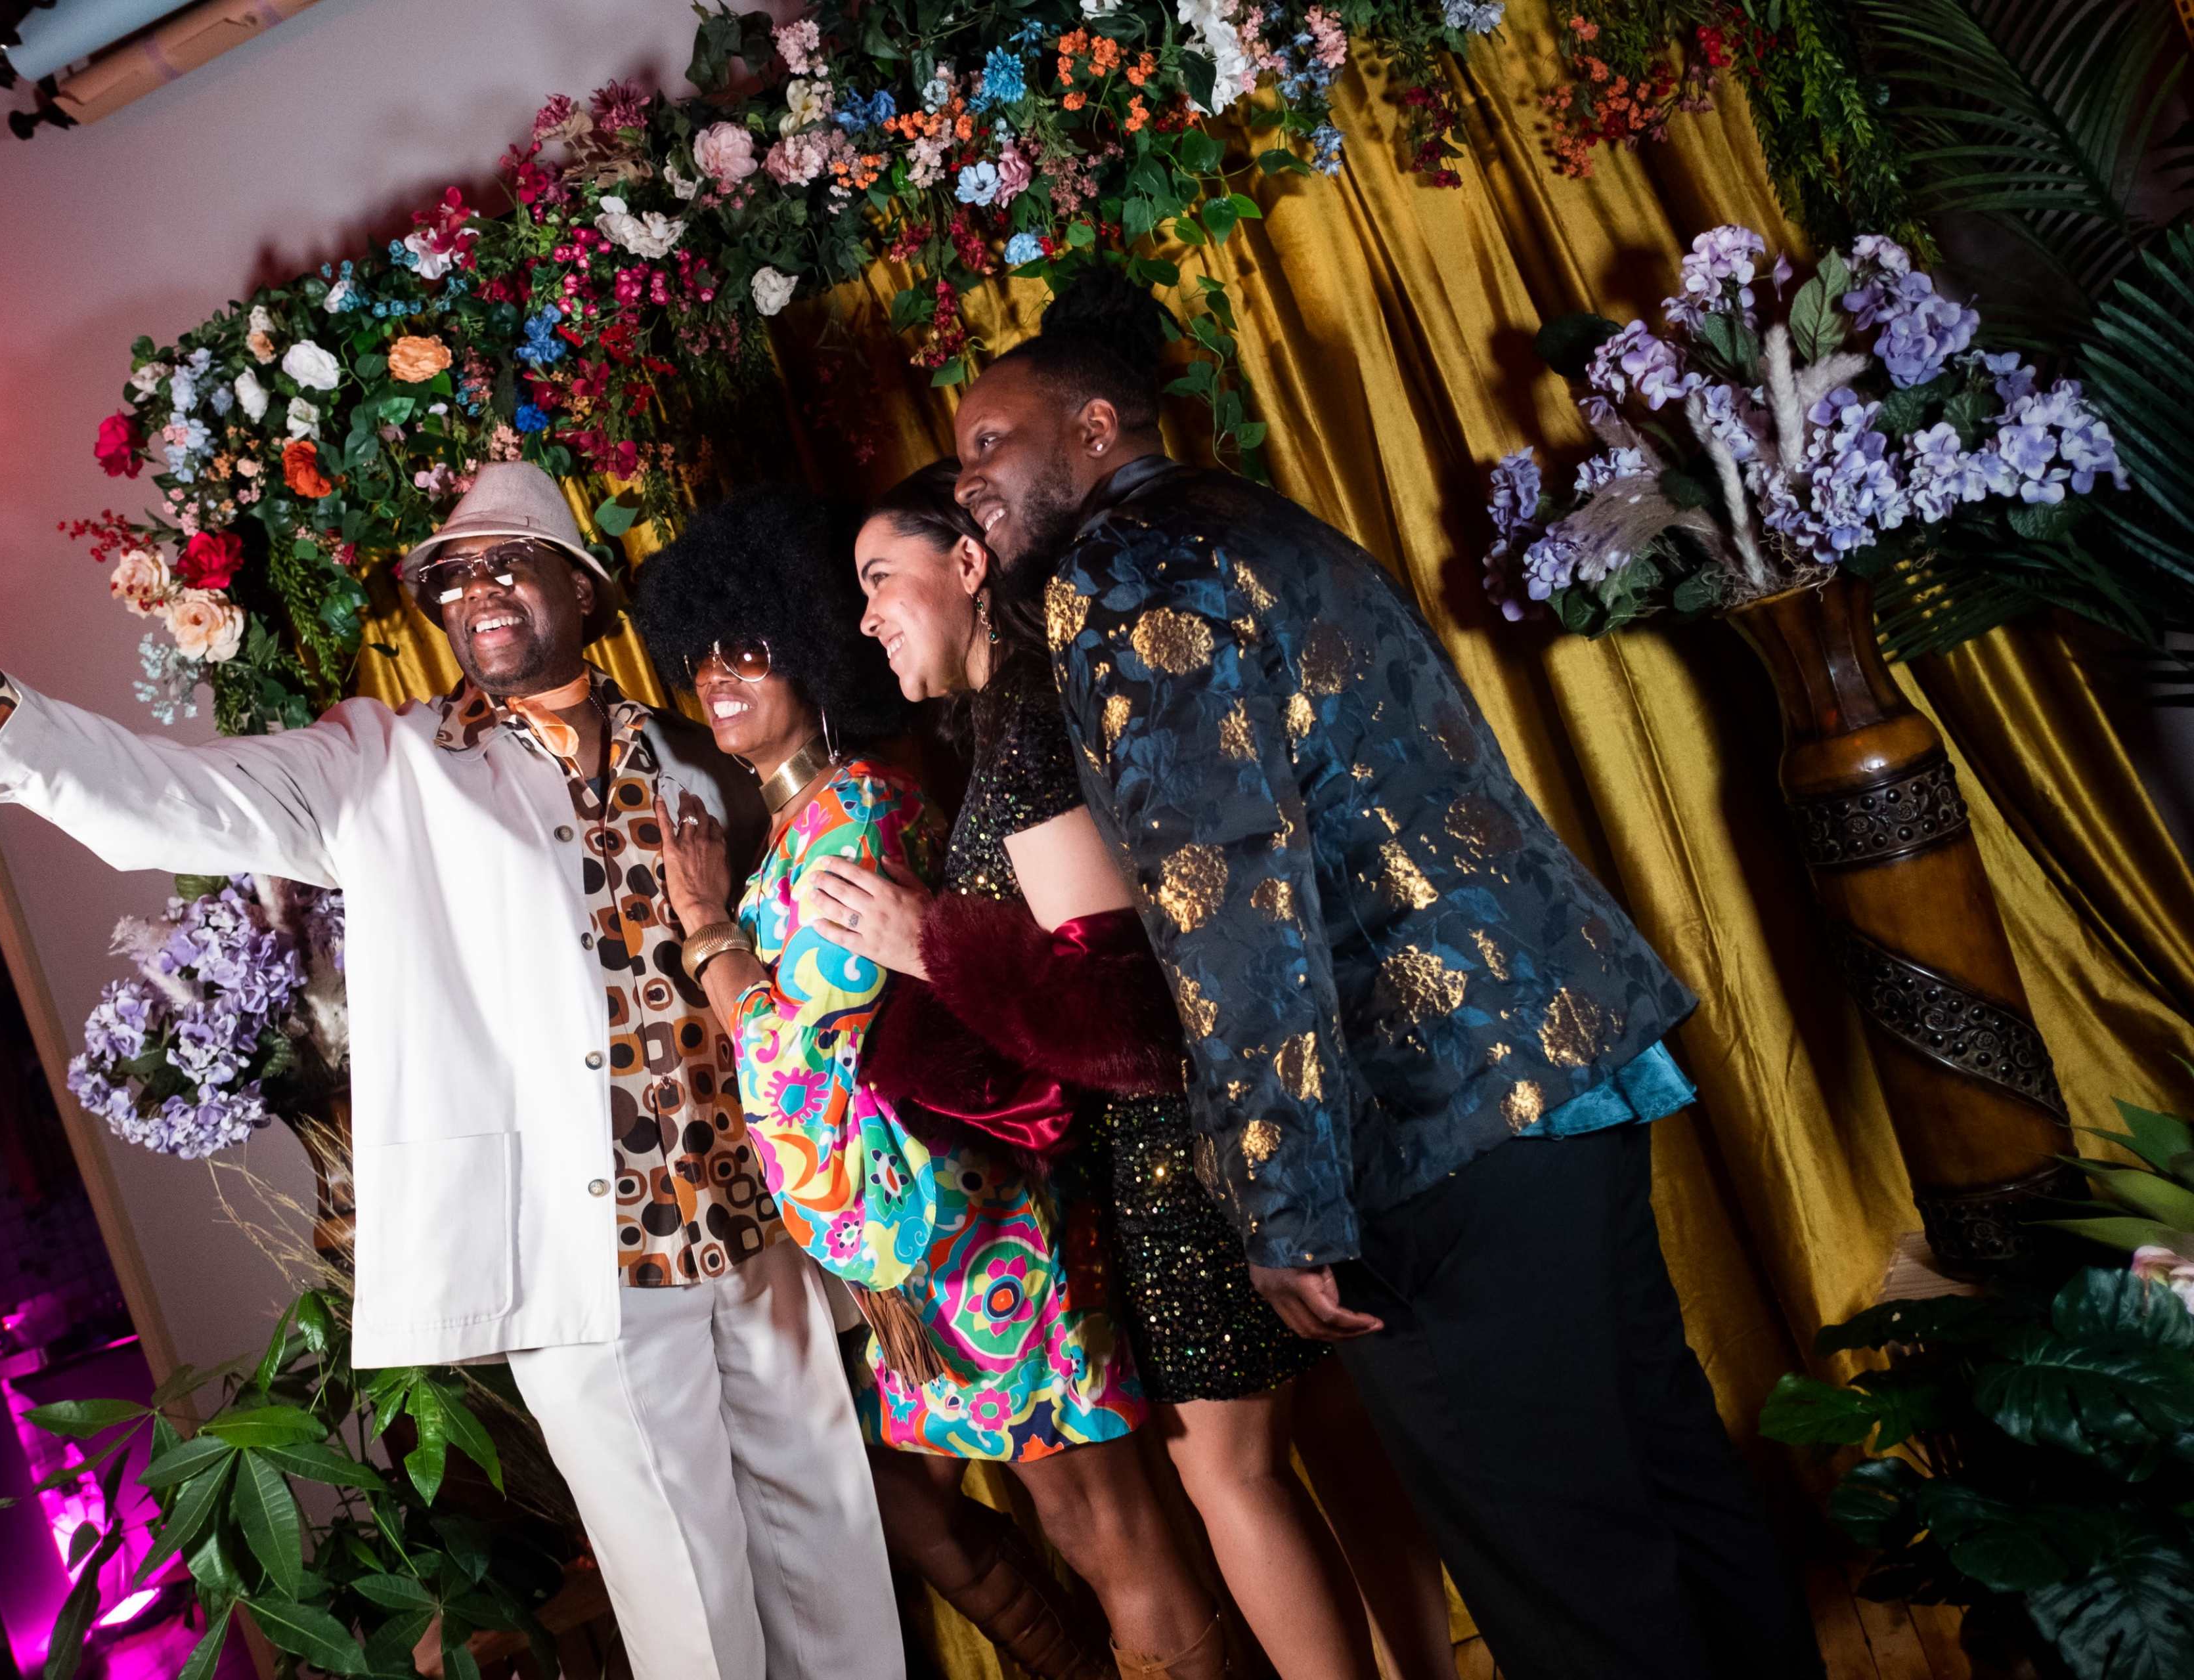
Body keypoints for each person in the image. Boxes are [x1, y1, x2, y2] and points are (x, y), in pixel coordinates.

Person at [0, 463, 903, 1680]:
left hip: (760, 1232)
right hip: (593, 1262)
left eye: (505, 562)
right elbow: (158, 799)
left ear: (585, 592)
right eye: (451, 576)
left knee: (837, 1562)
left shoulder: (702, 758)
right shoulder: (385, 765)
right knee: (692, 1618)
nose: (474, 591)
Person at [942, 270, 1825, 1680]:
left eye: (990, 444)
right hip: (1566, 1061)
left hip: (1437, 1122)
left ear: (1096, 422)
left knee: (1569, 1570)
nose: (965, 478)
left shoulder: (1123, 573)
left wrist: (1287, 1199)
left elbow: (1226, 893)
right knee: (1666, 1486)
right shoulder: (1250, 520)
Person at [809, 460, 1455, 1680]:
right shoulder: (1020, 720)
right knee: (1331, 1432)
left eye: (881, 577)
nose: (866, 615)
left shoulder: (1030, 727)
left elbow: (1116, 1007)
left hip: (1177, 1159)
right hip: (1235, 1131)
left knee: (1230, 1471)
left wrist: (919, 940)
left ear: (968, 564)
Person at [637, 487, 1219, 1680]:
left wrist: (703, 930)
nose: (719, 676)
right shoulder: (792, 838)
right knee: (925, 1495)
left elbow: (804, 1053)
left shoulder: (859, 805)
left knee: (1105, 1524)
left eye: (748, 645)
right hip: (921, 1254)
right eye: (699, 657)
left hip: (972, 1227)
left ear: (808, 651)